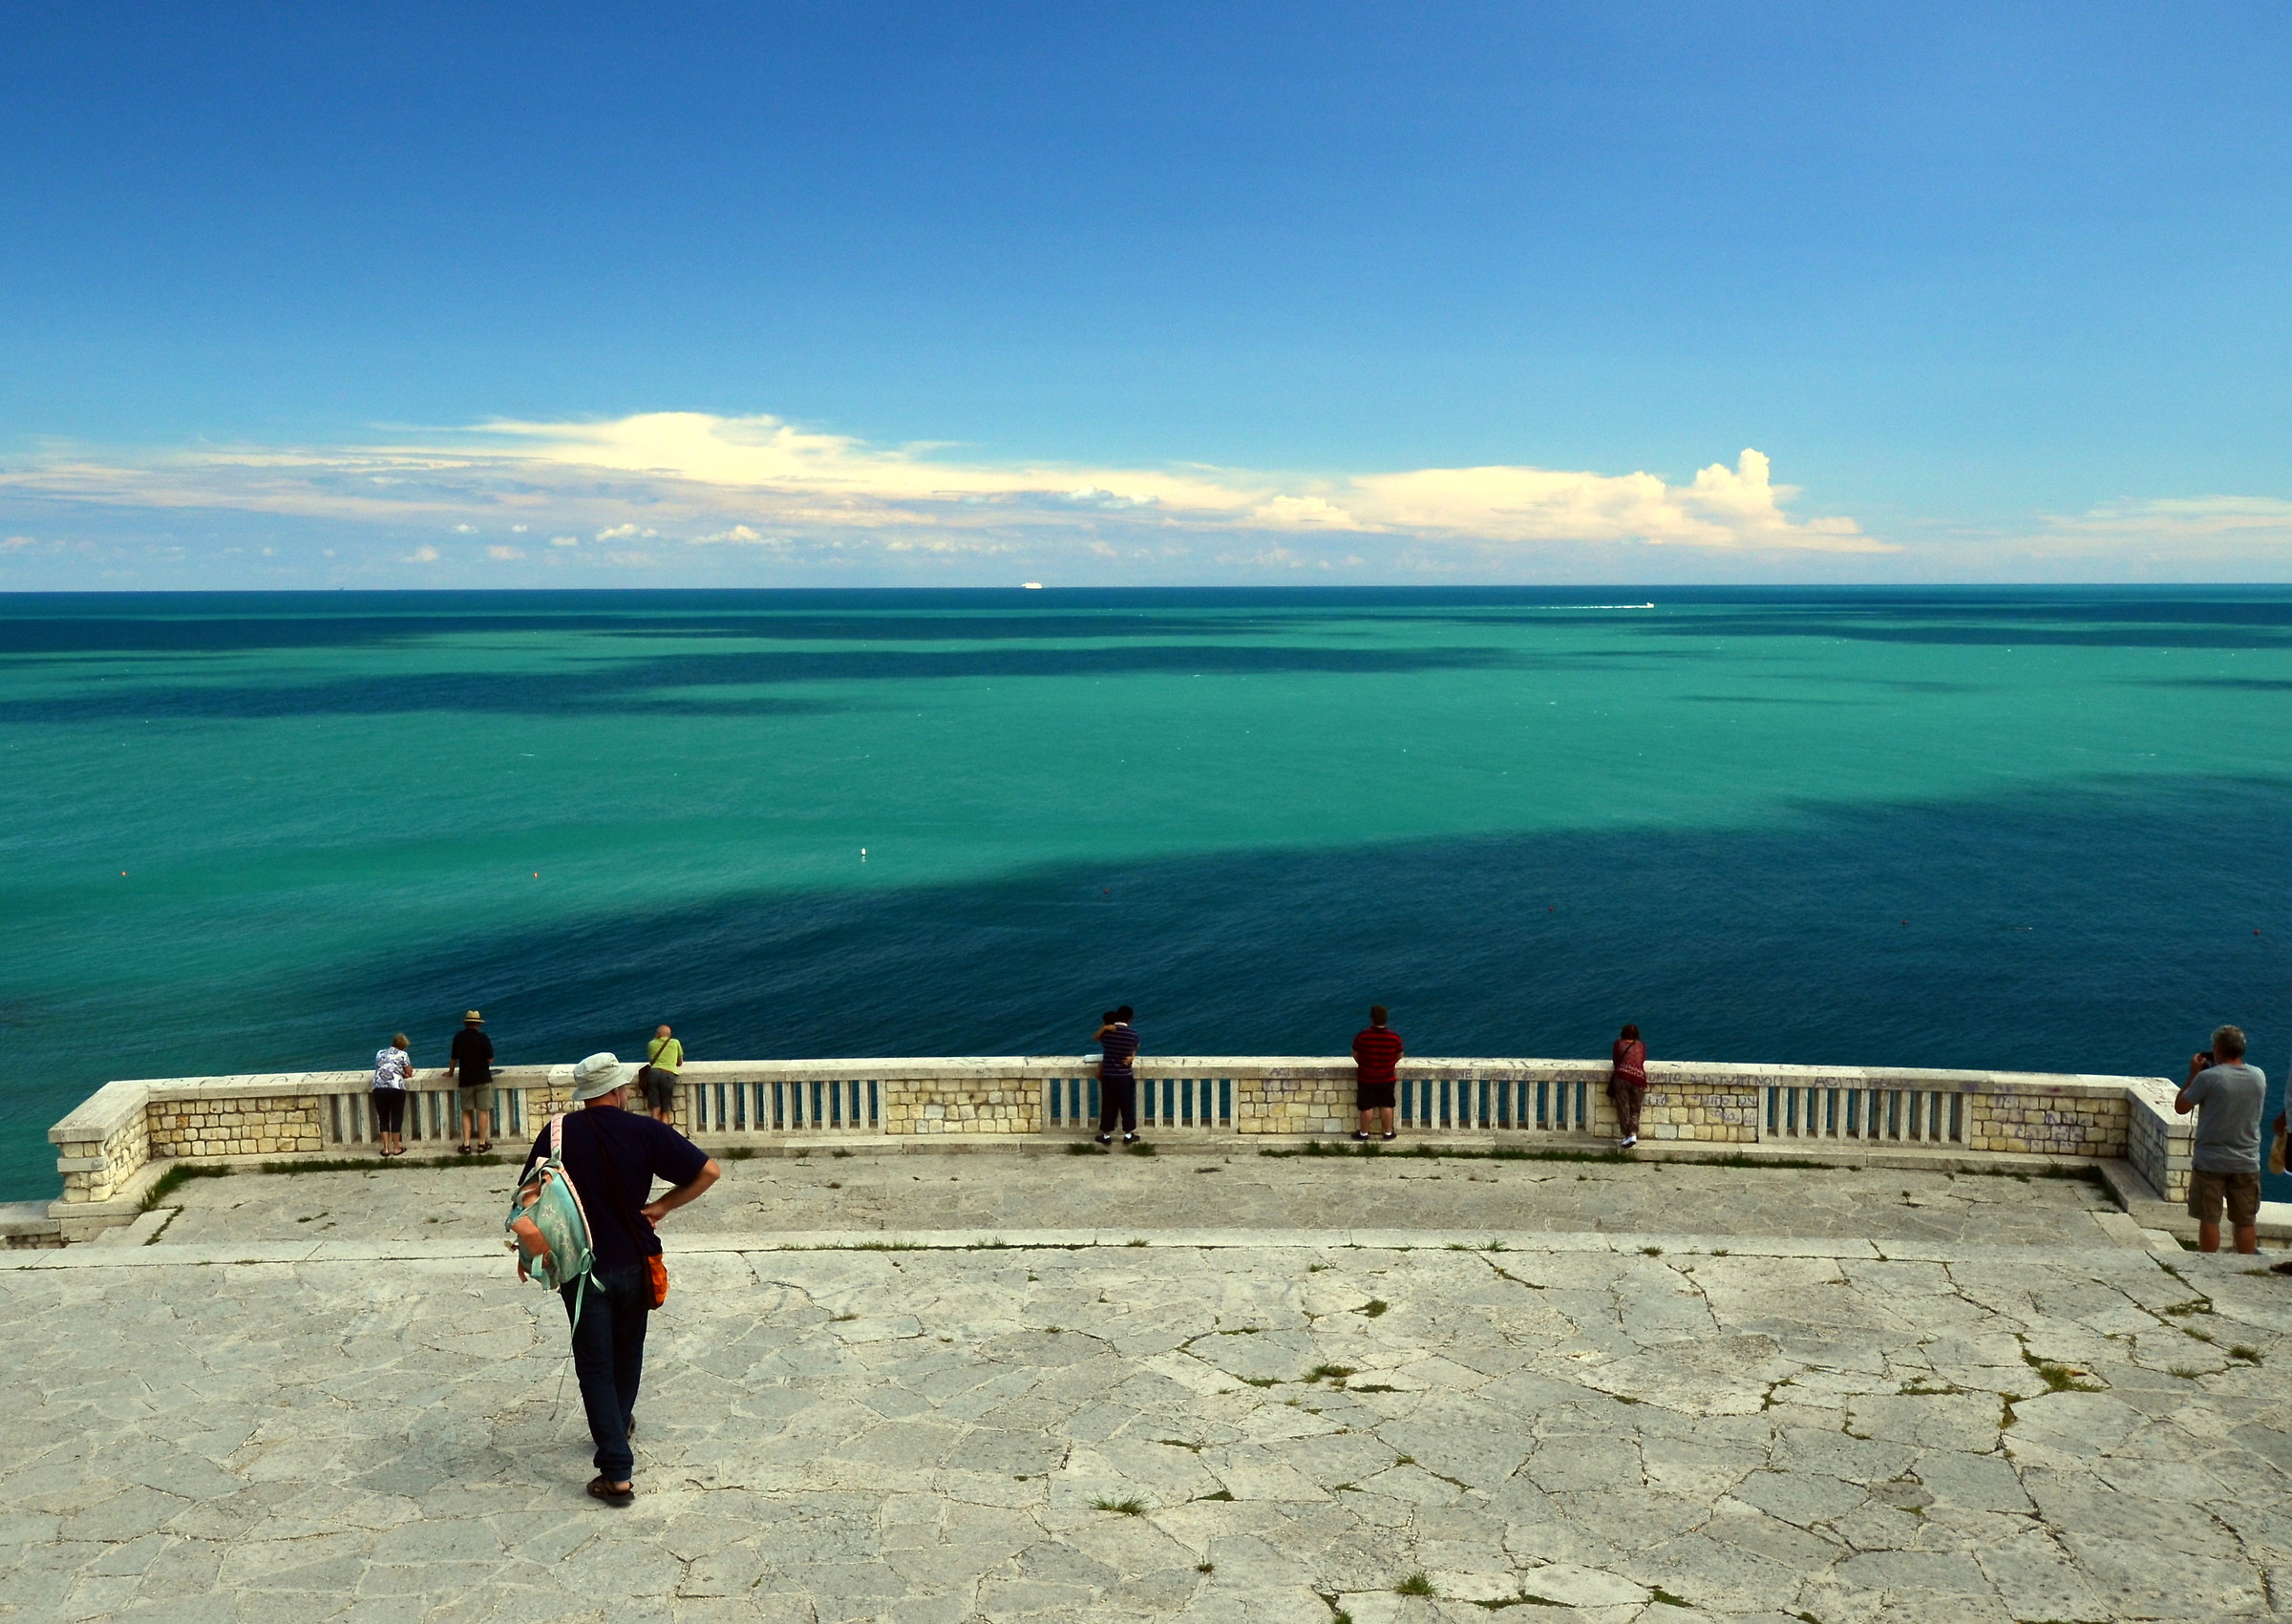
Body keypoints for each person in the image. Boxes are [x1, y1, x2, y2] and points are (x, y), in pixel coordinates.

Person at [520, 1051, 720, 1508]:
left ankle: (616, 1471)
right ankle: (618, 1425)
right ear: (616, 1090)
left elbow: (529, 1195)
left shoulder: (556, 1134)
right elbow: (709, 1171)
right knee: (628, 1350)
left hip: (580, 1266)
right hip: (634, 1259)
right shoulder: (647, 1131)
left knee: (594, 1363)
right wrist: (662, 1207)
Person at [2175, 1025, 2266, 1255]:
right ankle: (2247, 1267)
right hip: (2246, 1160)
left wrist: (2194, 1072)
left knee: (2209, 1218)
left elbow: (2181, 1107)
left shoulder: (2208, 1077)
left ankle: (2209, 1267)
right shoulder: (2258, 1076)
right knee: (2245, 1220)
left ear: (2216, 1048)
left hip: (2211, 1161)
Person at [1351, 1005, 1403, 1141]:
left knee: (1366, 1107)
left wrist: (1363, 1064)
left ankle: (1363, 1133)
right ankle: (1387, 1133)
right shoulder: (1394, 1037)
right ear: (1385, 1019)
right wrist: (1390, 1064)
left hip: (1366, 1077)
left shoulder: (1363, 1036)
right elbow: (1400, 1054)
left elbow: (1355, 1054)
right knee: (1386, 1105)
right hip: (1386, 1077)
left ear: (1372, 1019)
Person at [1094, 1004, 1141, 1146]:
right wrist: (1132, 1056)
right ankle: (1128, 1135)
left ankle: (1106, 1135)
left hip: (1108, 1075)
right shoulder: (1133, 1034)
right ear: (1130, 1019)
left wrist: (1104, 1028)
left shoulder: (1107, 1034)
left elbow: (1096, 1039)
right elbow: (1135, 1047)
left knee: (1108, 1105)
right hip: (1124, 1076)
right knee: (1126, 1105)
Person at [451, 1010, 496, 1154]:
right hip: (482, 1078)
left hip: (465, 1079)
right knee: (483, 1111)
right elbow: (490, 1059)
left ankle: (466, 1144)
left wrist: (450, 1072)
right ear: (478, 1024)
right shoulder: (483, 1038)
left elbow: (454, 1058)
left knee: (466, 1112)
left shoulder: (458, 1037)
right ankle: (482, 1143)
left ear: (466, 1023)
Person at [371, 1033, 413, 1157]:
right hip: (396, 1087)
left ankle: (385, 1149)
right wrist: (403, 1074)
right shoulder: (403, 1054)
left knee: (383, 1118)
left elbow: (378, 1068)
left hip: (378, 1087)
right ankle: (396, 1148)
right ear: (403, 1046)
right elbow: (409, 1072)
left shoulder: (380, 1053)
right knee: (396, 1117)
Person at [1609, 1023, 1648, 1149]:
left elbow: (1616, 1061)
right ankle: (1633, 1133)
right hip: (1639, 1079)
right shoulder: (1641, 1046)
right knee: (1635, 1108)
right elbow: (1641, 1060)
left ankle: (1628, 1135)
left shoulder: (1619, 1044)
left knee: (1624, 1107)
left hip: (1622, 1078)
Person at [642, 1024, 684, 1125]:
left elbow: (651, 1061)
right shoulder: (675, 1043)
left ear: (658, 1034)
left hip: (654, 1074)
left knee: (655, 1110)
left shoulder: (651, 1044)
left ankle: (654, 1135)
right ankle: (664, 1136)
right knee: (665, 1111)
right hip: (668, 1075)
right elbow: (680, 1063)